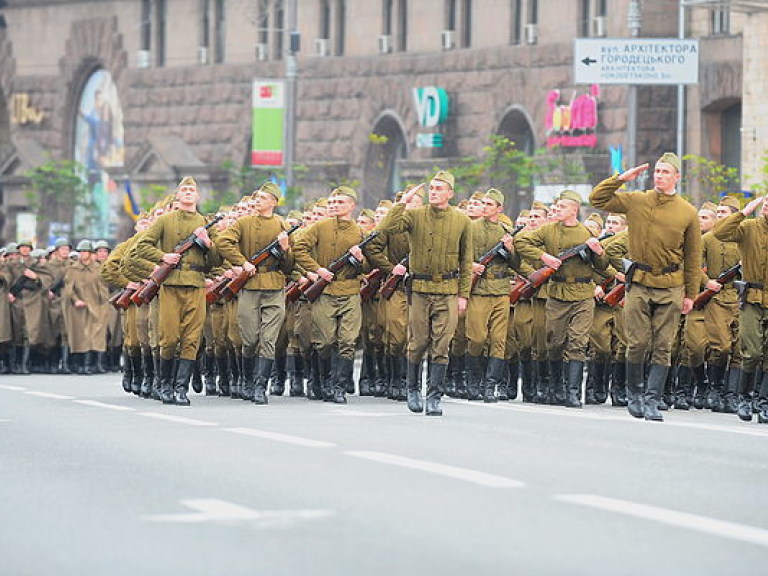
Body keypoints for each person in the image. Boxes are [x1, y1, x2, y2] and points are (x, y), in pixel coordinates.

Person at [589, 153, 702, 422]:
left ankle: (652, 399)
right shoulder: (637, 201)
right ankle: (635, 393)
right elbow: (597, 199)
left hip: (671, 285)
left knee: (663, 345)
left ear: (677, 177)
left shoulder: (687, 211)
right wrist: (620, 179)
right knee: (637, 342)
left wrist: (691, 294)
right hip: (639, 282)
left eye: (666, 172)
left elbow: (693, 256)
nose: (659, 175)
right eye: (657, 171)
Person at [377, 171, 473, 416]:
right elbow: (386, 227)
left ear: (450, 193)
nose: (434, 191)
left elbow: (466, 259)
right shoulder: (414, 215)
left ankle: (434, 396)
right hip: (420, 289)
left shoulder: (462, 221)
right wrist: (402, 203)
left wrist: (464, 295)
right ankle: (412, 389)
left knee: (442, 344)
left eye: (440, 188)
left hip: (448, 291)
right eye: (431, 187)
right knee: (418, 342)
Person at [517, 189, 609, 408]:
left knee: (578, 342)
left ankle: (573, 392)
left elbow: (603, 268)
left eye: (562, 207)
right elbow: (521, 244)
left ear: (574, 210)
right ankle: (556, 386)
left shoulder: (586, 233)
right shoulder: (548, 230)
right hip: (557, 294)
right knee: (555, 342)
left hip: (582, 294)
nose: (557, 210)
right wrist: (544, 256)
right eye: (556, 207)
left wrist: (599, 252)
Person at [134, 176, 221, 406]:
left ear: (198, 196)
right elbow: (141, 246)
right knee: (169, 338)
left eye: (192, 190)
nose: (189, 193)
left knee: (192, 339)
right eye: (184, 190)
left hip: (195, 284)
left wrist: (208, 243)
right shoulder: (165, 221)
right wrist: (163, 257)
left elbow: (216, 261)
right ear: (178, 195)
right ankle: (165, 386)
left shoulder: (204, 222)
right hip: (170, 284)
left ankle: (181, 389)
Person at [216, 182, 293, 405]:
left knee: (269, 339)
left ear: (274, 202)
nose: (257, 200)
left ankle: (260, 387)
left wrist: (286, 248)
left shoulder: (283, 225)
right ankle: (247, 381)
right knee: (249, 338)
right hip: (249, 287)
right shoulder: (243, 223)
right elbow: (223, 242)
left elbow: (289, 267)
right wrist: (241, 262)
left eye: (262, 197)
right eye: (257, 197)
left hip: (274, 287)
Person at [293, 186, 366, 404]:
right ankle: (322, 380)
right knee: (323, 341)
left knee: (347, 341)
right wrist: (317, 270)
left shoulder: (360, 232)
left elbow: (370, 264)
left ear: (351, 206)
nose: (334, 206)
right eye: (332, 203)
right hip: (325, 292)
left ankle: (339, 386)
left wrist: (361, 258)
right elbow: (299, 250)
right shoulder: (319, 227)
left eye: (339, 203)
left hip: (350, 291)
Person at [712, 194, 768, 423]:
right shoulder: (749, 227)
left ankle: (764, 402)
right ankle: (745, 397)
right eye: (766, 203)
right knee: (752, 351)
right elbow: (720, 233)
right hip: (752, 296)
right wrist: (743, 212)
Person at [466, 188, 519, 402]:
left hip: (500, 291)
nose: (484, 207)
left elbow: (516, 264)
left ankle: (490, 385)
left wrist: (511, 248)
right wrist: (471, 266)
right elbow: (458, 256)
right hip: (478, 290)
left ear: (499, 208)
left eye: (489, 204)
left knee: (499, 339)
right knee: (477, 338)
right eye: (483, 203)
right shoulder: (469, 228)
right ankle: (474, 382)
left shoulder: (506, 231)